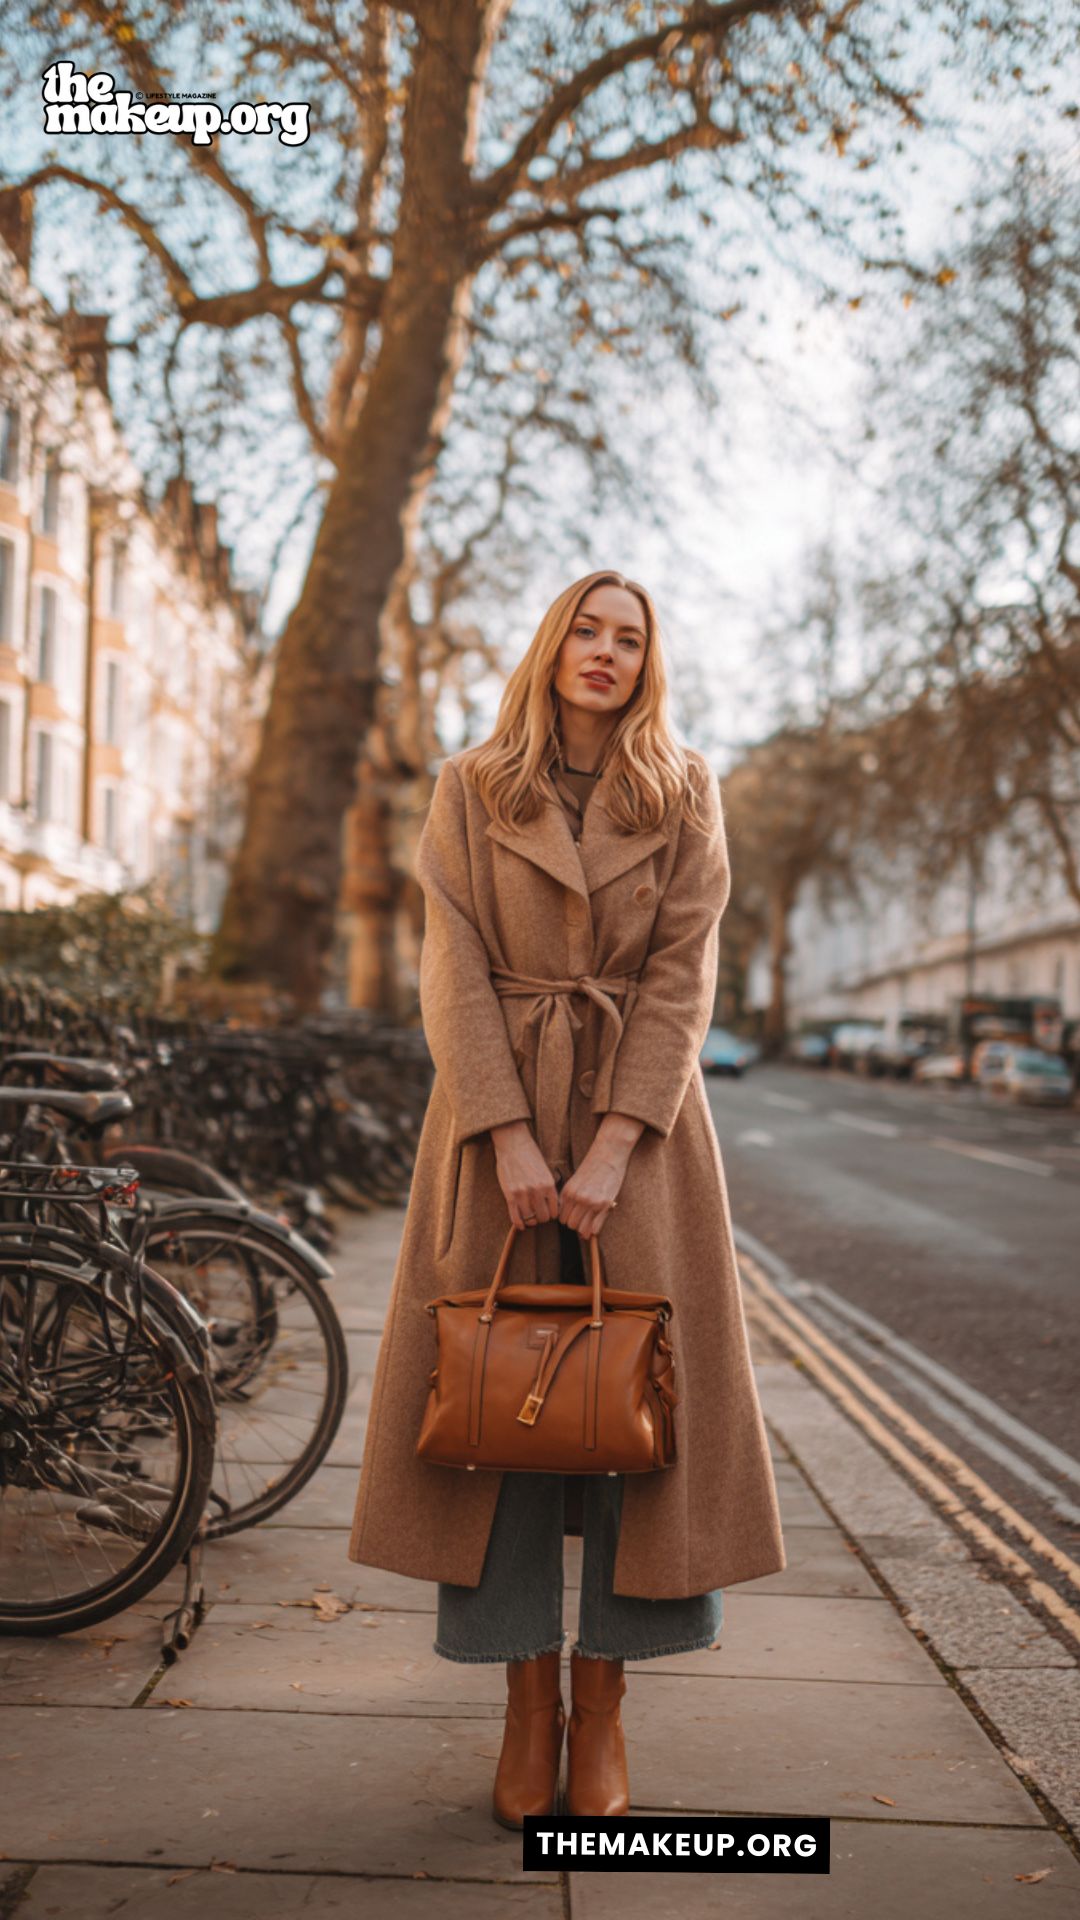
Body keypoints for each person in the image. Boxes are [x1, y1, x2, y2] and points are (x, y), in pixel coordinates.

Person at [348, 569, 786, 1827]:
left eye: (628, 638)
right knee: (498, 1413)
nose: (605, 651)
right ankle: (524, 1708)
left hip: (642, 1143)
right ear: (551, 647)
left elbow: (683, 978)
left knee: (633, 1418)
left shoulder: (685, 788)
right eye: (586, 631)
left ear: (650, 663)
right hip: (493, 1126)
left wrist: (611, 1148)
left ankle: (602, 1713)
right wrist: (504, 1134)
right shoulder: (472, 784)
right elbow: (450, 964)